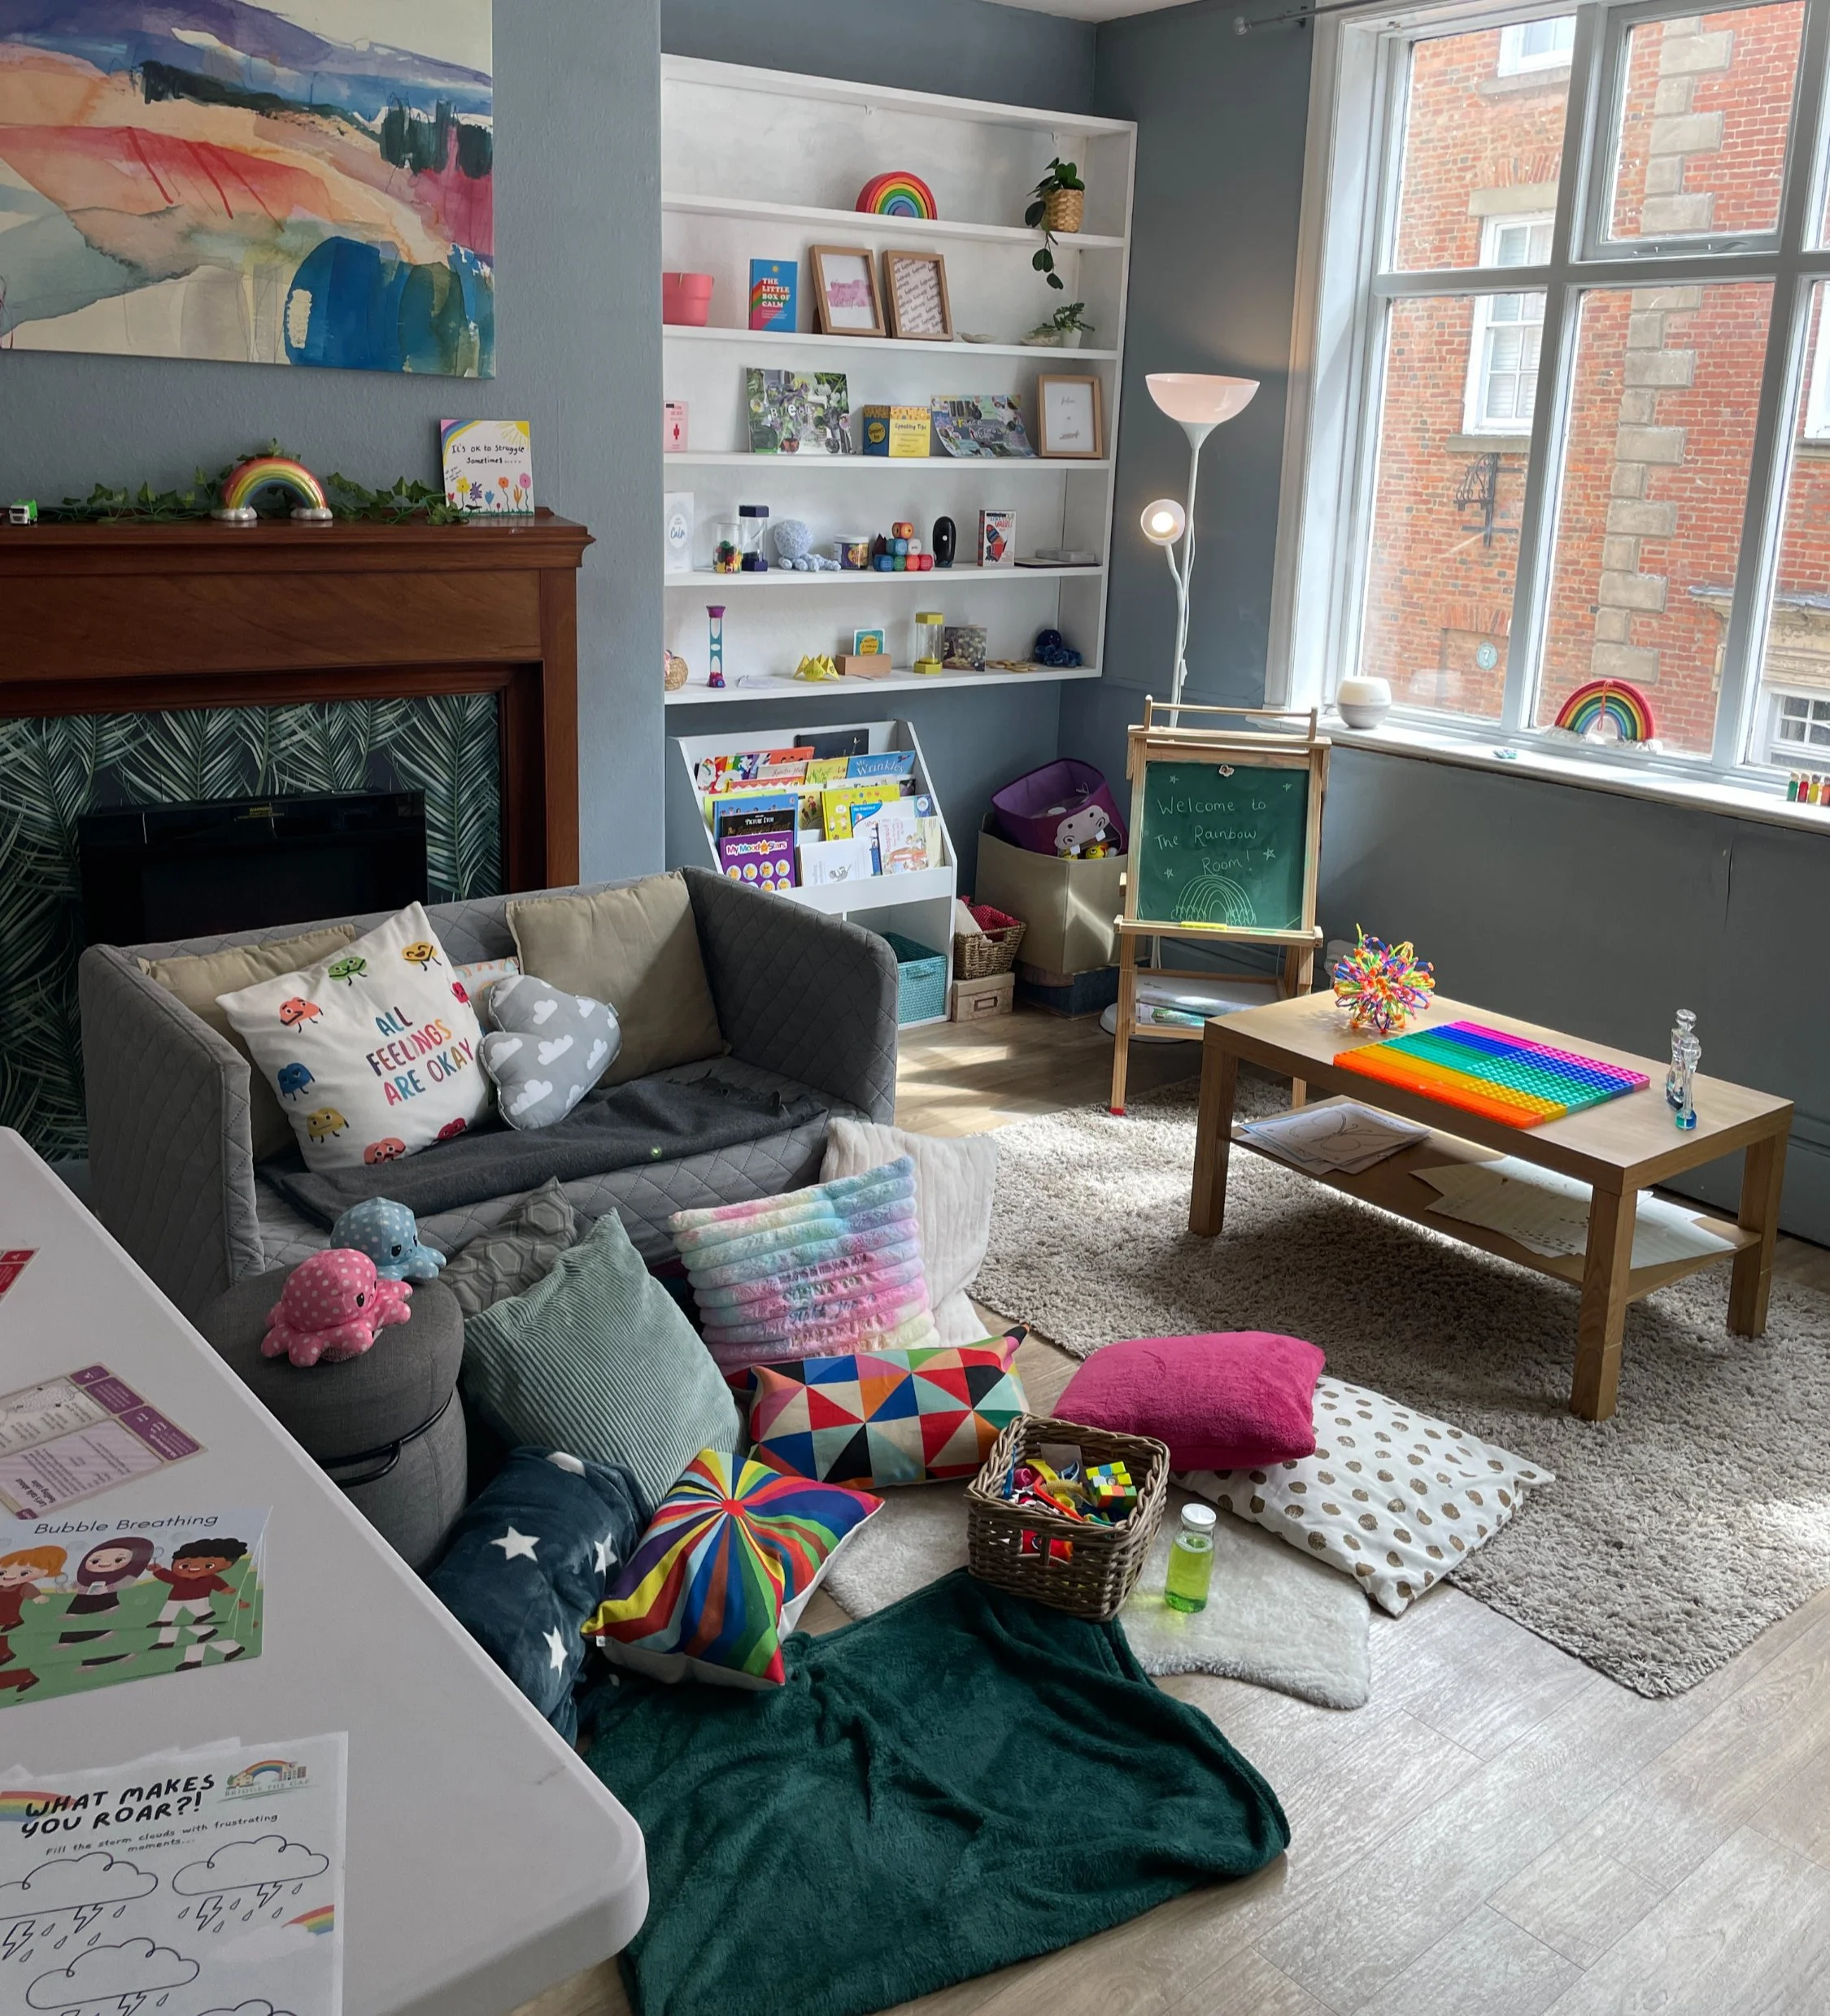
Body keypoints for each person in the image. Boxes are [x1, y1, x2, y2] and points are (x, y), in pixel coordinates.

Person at [150, 1538, 250, 1670]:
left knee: (197, 1630)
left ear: (225, 1565)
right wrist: (158, 1570)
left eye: (208, 1565)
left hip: (197, 1603)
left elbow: (223, 1588)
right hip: (175, 1601)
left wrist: (235, 1598)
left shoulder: (210, 1578)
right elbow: (169, 1577)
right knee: (169, 1619)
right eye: (184, 1566)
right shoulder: (180, 1579)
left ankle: (224, 1649)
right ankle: (170, 1644)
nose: (194, 1568)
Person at [0, 1547, 64, 1698]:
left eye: (24, 1573)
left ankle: (9, 1658)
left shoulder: (23, 1586)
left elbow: (31, 1592)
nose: (8, 1576)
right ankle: (24, 1675)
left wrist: (38, 1598)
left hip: (10, 1619)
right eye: (2, 1572)